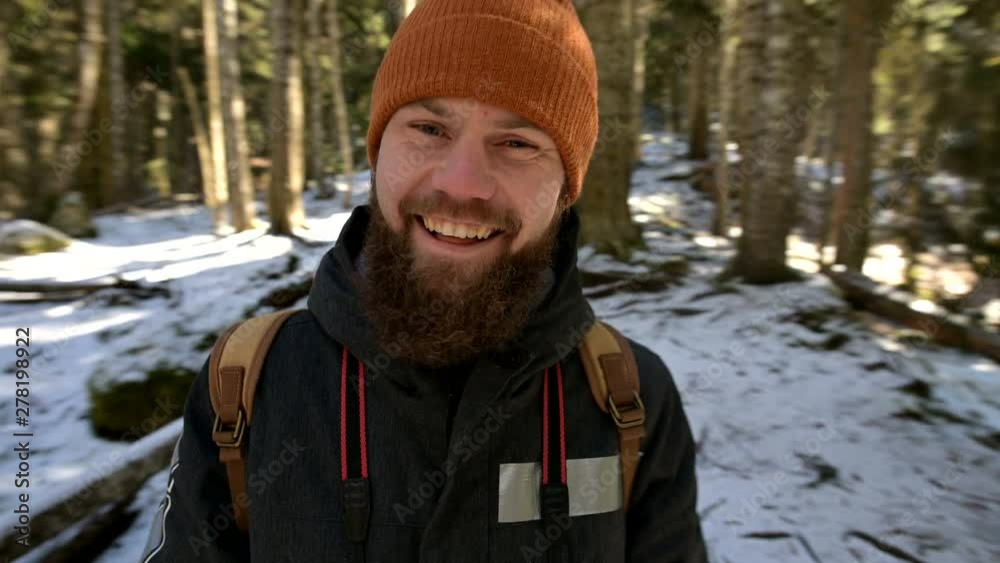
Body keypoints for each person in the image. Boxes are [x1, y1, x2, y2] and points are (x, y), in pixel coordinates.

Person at [141, 0, 706, 561]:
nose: (463, 184)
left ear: (565, 187)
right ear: (378, 152)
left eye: (517, 143)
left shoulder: (629, 400)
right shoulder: (248, 385)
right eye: (429, 128)